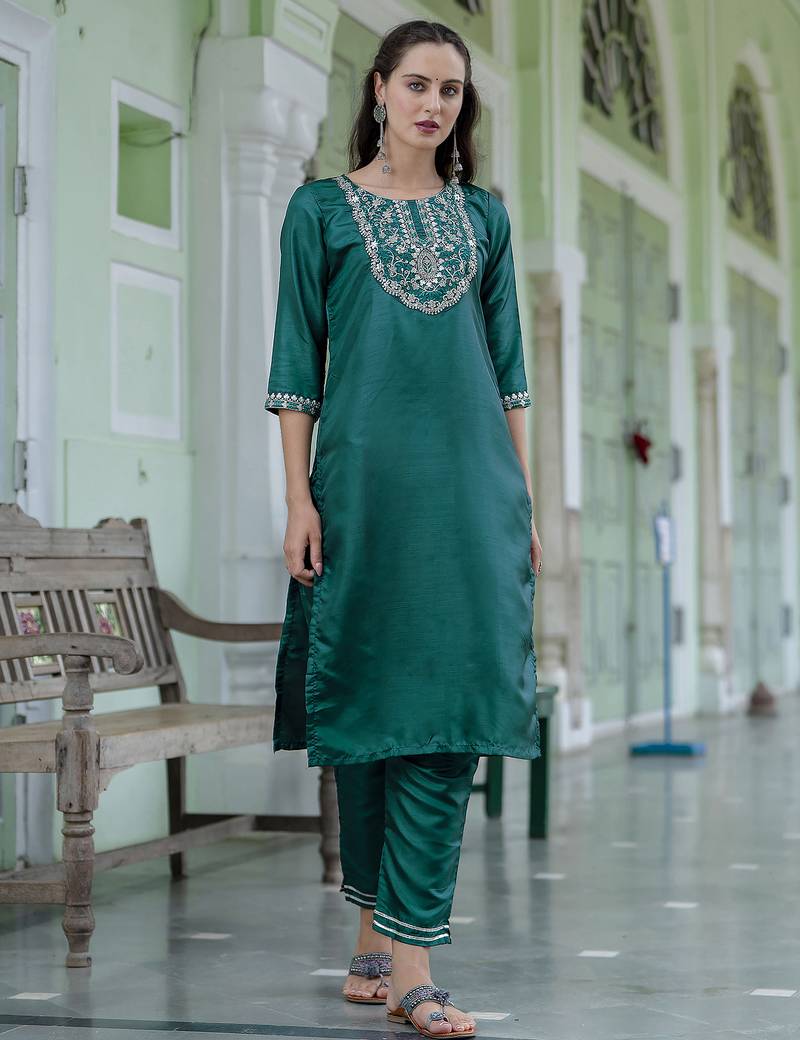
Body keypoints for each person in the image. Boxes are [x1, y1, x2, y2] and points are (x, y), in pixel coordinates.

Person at [265, 18, 543, 1039]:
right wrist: (298, 500)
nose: (434, 104)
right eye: (417, 84)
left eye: (450, 91)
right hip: (361, 492)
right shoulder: (318, 211)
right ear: (378, 89)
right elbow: (295, 368)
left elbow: (510, 374)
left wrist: (521, 501)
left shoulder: (484, 218)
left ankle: (412, 966)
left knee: (445, 713)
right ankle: (372, 936)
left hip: (470, 495)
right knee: (369, 708)